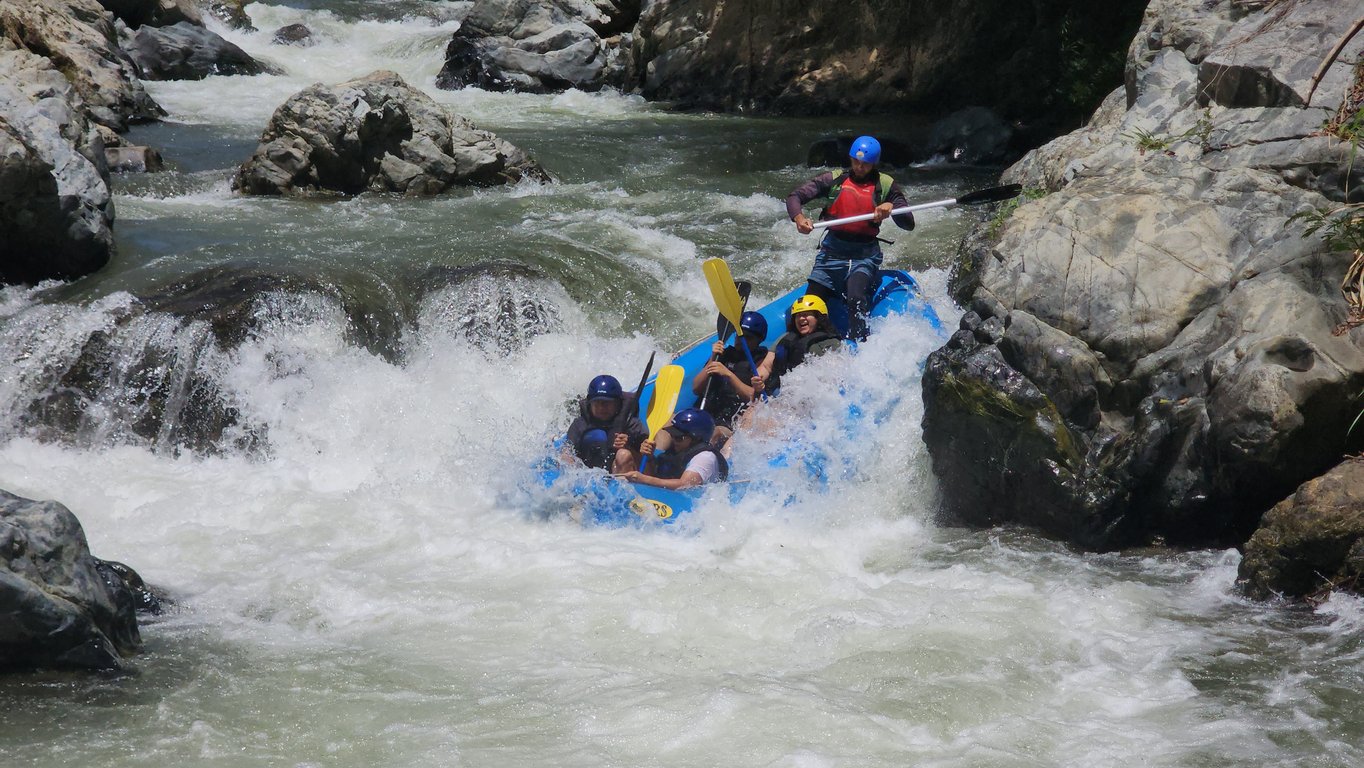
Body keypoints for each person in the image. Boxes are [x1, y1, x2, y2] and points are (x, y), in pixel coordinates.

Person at [787, 135, 915, 340]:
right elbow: (795, 197)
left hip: (864, 256)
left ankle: (860, 343)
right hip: (831, 253)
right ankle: (807, 346)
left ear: (874, 163)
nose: (859, 167)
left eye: (865, 164)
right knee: (808, 305)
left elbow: (908, 223)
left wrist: (892, 208)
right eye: (856, 161)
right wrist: (799, 217)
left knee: (855, 298)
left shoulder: (885, 185)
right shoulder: (834, 180)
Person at [692, 310, 775, 434]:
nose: (741, 340)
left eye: (748, 337)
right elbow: (696, 388)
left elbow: (755, 399)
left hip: (729, 420)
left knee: (716, 432)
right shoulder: (723, 354)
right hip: (707, 410)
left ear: (759, 340)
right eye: (739, 335)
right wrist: (713, 358)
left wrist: (729, 375)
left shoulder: (761, 361)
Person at [621, 408, 728, 490]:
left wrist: (643, 479)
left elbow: (685, 485)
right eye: (672, 435)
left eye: (678, 437)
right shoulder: (674, 453)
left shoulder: (705, 457)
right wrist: (648, 459)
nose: (673, 440)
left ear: (696, 439)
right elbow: (655, 477)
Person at [563, 374, 647, 474]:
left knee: (623, 454)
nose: (601, 408)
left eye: (606, 403)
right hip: (588, 477)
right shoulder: (580, 425)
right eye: (597, 403)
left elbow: (648, 467)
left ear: (617, 404)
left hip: (619, 475)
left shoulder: (632, 425)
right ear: (590, 404)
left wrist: (628, 447)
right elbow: (566, 452)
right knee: (566, 457)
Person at [760, 294, 843, 383]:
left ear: (818, 317)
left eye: (806, 315)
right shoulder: (785, 338)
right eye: (798, 315)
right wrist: (758, 380)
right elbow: (766, 367)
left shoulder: (831, 343)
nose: (801, 318)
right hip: (783, 388)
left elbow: (835, 375)